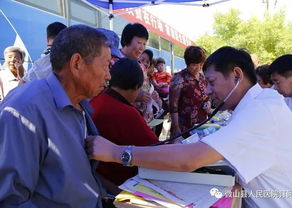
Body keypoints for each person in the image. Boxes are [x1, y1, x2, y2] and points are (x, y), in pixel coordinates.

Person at [87, 46, 292, 208]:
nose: (209, 91)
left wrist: (116, 153)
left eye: (212, 82)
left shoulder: (261, 111)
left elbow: (190, 159)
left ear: (236, 75)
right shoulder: (257, 105)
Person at [0, 25, 112, 207]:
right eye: (106, 65)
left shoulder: (80, 105)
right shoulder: (26, 109)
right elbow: (10, 200)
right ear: (77, 63)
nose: (109, 76)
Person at [90, 58, 159, 186]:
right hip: (122, 184)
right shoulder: (127, 113)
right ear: (135, 87)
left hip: (96, 180)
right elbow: (157, 150)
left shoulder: (94, 102)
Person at [169, 46, 210, 137]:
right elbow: (173, 106)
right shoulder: (179, 78)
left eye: (200, 64)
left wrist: (208, 103)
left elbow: (207, 96)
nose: (197, 67)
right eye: (194, 65)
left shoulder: (203, 78)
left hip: (201, 125)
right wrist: (176, 128)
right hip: (184, 127)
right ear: (187, 63)